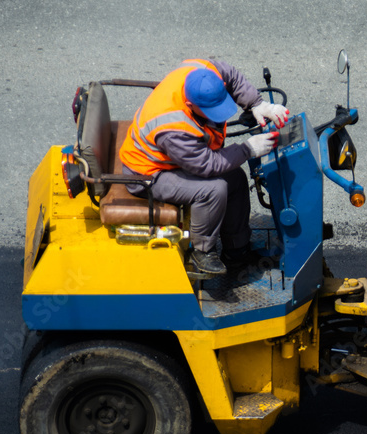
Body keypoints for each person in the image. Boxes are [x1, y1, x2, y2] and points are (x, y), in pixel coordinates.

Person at [119, 58, 290, 275]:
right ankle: (202, 252)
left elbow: (231, 75)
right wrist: (248, 150)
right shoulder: (172, 126)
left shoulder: (202, 72)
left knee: (235, 177)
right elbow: (206, 165)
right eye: (211, 111)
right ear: (190, 105)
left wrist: (257, 104)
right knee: (213, 190)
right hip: (148, 174)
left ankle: (237, 252)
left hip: (174, 159)